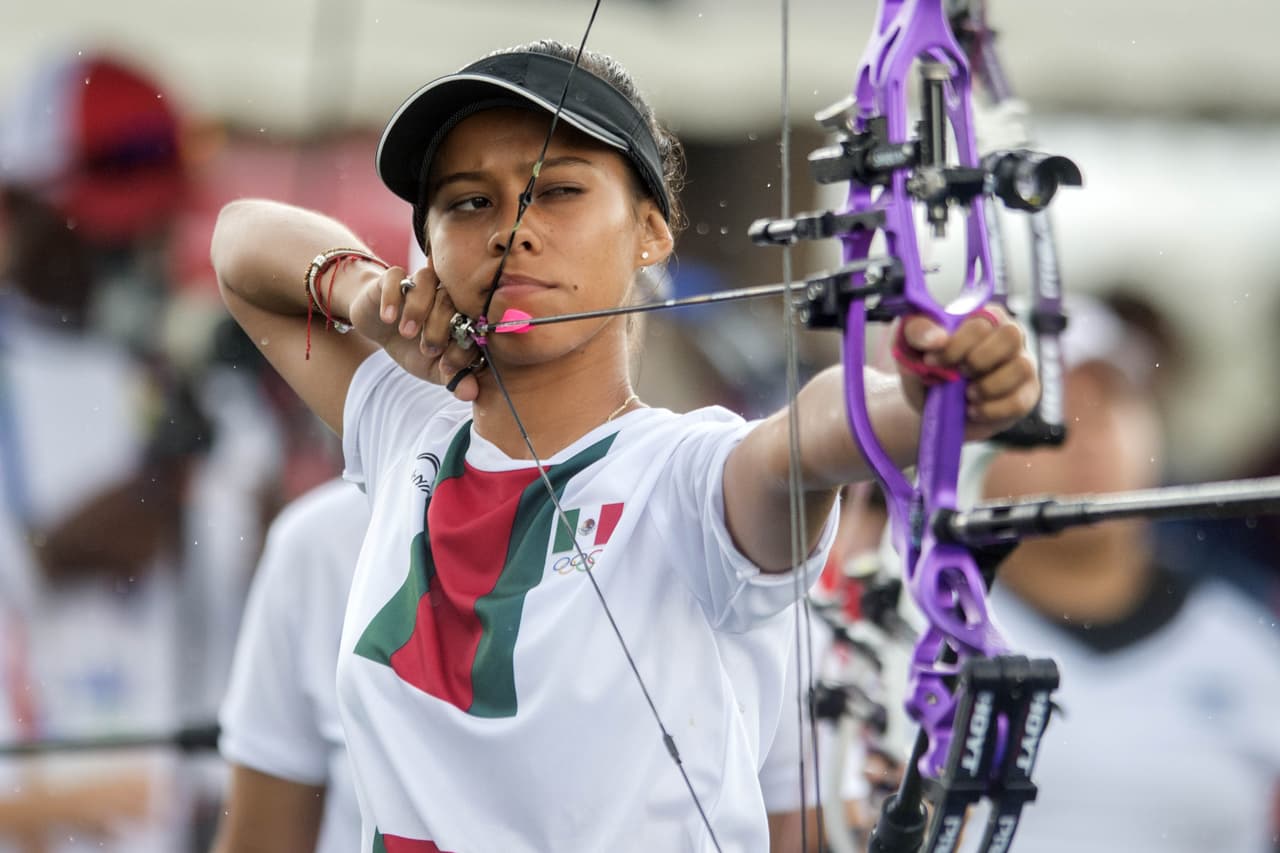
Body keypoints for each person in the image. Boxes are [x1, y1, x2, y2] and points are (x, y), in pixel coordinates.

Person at [210, 39, 1038, 851]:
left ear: (650, 231)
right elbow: (240, 243)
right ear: (428, 247)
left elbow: (804, 442)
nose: (512, 230)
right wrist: (358, 290)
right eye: (470, 202)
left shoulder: (683, 478)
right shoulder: (408, 432)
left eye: (558, 191)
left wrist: (928, 399)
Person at [979, 297, 1280, 853]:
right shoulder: (917, 632)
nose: (1085, 434)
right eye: (1046, 409)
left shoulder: (1250, 643)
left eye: (1112, 401)